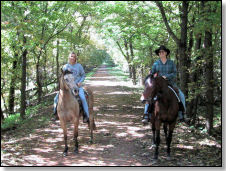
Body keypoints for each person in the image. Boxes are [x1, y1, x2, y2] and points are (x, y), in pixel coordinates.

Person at [142, 45, 187, 124]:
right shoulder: (156, 63)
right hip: (158, 85)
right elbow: (153, 73)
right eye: (159, 52)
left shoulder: (171, 63)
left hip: (170, 83)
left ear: (166, 53)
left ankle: (182, 115)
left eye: (162, 52)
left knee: (181, 95)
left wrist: (166, 76)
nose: (161, 53)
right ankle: (146, 115)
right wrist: (151, 74)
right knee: (149, 96)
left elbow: (175, 73)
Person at [53, 52, 90, 123]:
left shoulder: (79, 66)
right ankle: (56, 114)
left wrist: (80, 82)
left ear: (75, 58)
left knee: (82, 98)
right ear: (69, 57)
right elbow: (62, 77)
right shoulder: (65, 66)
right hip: (67, 87)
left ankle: (86, 115)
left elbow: (83, 75)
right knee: (56, 98)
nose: (72, 58)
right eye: (71, 56)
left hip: (77, 86)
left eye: (74, 57)